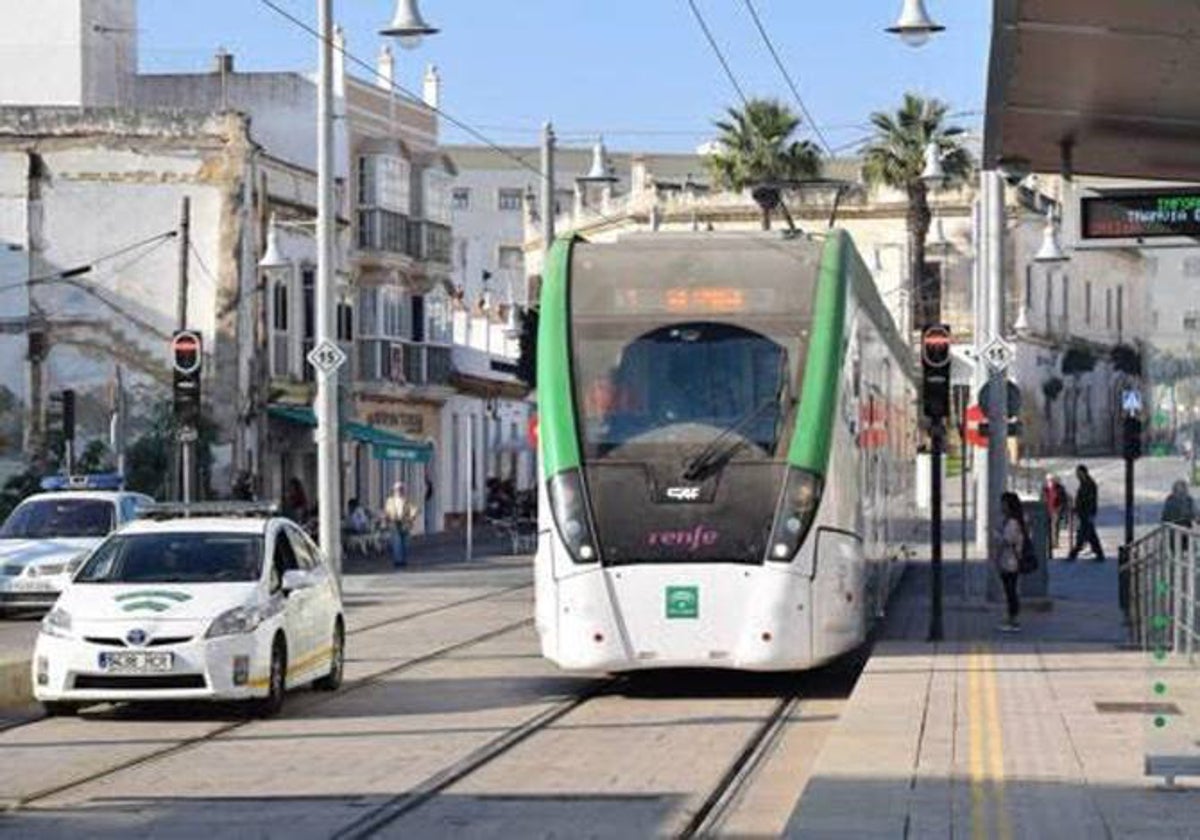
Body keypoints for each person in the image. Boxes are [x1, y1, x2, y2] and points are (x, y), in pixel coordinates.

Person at [997, 491, 1027, 632]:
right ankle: (1011, 618)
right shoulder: (1012, 520)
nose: (1001, 507)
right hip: (1008, 560)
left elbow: (1008, 540)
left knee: (1011, 592)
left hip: (1010, 561)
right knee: (1010, 591)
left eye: (1003, 504)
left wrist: (996, 536)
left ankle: (1013, 620)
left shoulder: (1013, 522)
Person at [1066, 464, 1106, 563]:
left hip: (1087, 512)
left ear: (1083, 473)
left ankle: (1073, 554)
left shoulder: (1089, 484)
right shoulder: (1084, 483)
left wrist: (1087, 511)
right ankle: (1099, 554)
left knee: (1083, 534)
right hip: (1084, 512)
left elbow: (1089, 500)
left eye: (1078, 473)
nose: (1077, 475)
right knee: (1091, 534)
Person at [383, 481, 419, 568]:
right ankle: (398, 561)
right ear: (394, 491)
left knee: (405, 543)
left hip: (405, 523)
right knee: (397, 542)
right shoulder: (390, 501)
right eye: (397, 489)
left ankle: (404, 559)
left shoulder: (407, 500)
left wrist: (412, 517)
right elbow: (387, 511)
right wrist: (386, 519)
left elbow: (414, 509)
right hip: (394, 523)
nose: (399, 491)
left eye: (401, 489)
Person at [1042, 473, 1068, 548]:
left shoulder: (1059, 488)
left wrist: (1060, 509)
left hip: (1056, 510)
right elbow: (1042, 499)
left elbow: (1064, 499)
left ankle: (1054, 543)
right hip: (1046, 510)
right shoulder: (1045, 488)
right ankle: (1048, 542)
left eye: (1052, 480)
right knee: (1047, 527)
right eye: (1048, 480)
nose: (1050, 481)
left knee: (1055, 527)